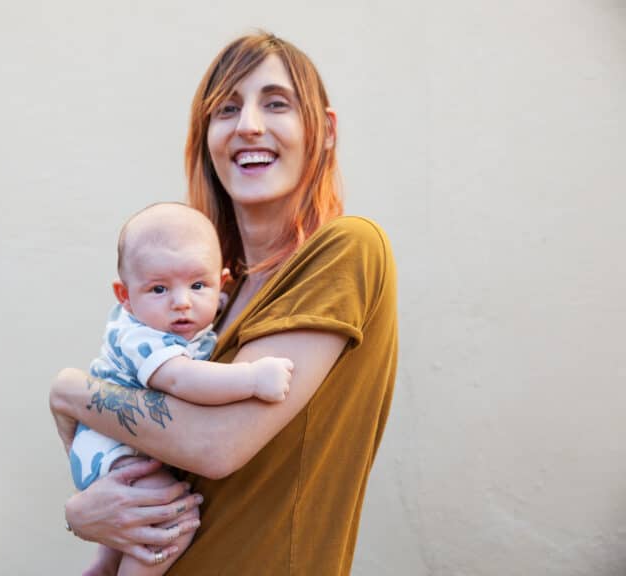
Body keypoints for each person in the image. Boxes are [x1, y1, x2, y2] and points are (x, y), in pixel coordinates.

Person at [51, 32, 398, 575]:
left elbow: (213, 445)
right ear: (206, 138)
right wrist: (86, 513)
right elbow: (164, 456)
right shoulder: (212, 301)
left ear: (324, 130)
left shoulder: (346, 248)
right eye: (227, 109)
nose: (249, 125)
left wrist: (71, 392)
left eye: (276, 103)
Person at [70, 202, 294, 576]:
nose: (182, 303)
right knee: (167, 521)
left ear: (221, 284)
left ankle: (105, 565)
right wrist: (253, 378)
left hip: (130, 439)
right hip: (112, 445)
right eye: (159, 289)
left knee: (137, 520)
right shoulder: (142, 338)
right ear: (124, 295)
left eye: (198, 285)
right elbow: (183, 380)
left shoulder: (175, 317)